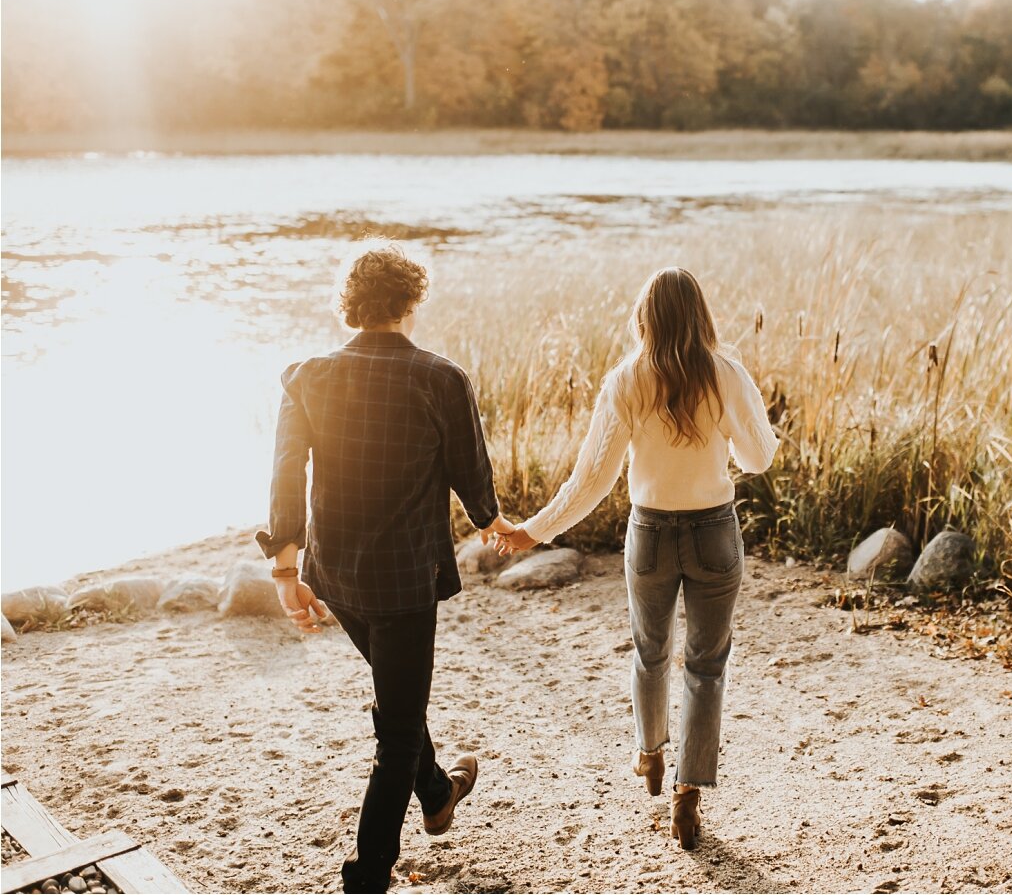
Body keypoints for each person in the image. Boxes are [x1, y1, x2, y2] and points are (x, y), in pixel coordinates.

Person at [256, 245, 515, 893]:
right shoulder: (439, 378)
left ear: (350, 305)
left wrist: (286, 575)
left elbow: (286, 477)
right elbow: (471, 475)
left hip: (336, 575)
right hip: (403, 584)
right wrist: (493, 522)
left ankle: (436, 793)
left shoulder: (305, 376)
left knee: (398, 700)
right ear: (410, 301)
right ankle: (367, 876)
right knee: (396, 730)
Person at [497, 266, 779, 851]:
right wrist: (740, 413)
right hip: (713, 534)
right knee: (706, 666)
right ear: (701, 315)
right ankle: (688, 792)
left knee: (650, 652)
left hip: (649, 533)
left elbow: (592, 479)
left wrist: (533, 531)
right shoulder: (726, 373)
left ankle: (650, 753)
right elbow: (757, 458)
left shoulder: (626, 379)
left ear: (644, 317)